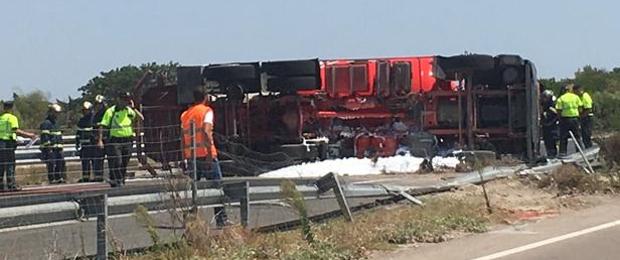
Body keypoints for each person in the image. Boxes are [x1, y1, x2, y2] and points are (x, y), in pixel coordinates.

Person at [180, 88, 228, 227]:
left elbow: (183, 138)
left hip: (191, 157)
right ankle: (221, 219)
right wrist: (209, 153)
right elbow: (206, 132)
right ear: (205, 97)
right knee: (217, 188)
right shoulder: (207, 111)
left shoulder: (185, 114)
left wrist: (184, 157)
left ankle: (191, 220)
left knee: (192, 190)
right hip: (206, 156)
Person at [98, 92, 143, 187]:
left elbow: (141, 118)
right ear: (119, 99)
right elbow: (102, 125)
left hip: (128, 140)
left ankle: (121, 179)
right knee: (118, 161)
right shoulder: (111, 111)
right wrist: (100, 140)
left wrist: (133, 108)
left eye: (127, 99)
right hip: (116, 141)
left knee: (125, 161)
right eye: (124, 99)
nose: (125, 101)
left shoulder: (129, 111)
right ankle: (116, 179)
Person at [0, 100, 37, 191]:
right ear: (11, 108)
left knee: (1, 165)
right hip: (8, 143)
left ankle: (0, 186)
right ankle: (11, 185)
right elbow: (15, 131)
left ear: (4, 108)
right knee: (10, 164)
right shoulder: (12, 118)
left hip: (0, 143)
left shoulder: (1, 118)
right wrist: (29, 135)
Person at [76, 101, 102, 182]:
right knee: (85, 162)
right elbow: (78, 134)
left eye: (86, 110)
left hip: (93, 144)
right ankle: (86, 177)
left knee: (95, 161)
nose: (85, 112)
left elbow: (98, 131)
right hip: (84, 145)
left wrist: (98, 140)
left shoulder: (94, 119)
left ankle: (97, 177)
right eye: (84, 110)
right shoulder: (81, 121)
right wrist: (77, 143)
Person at [40, 103, 66, 184]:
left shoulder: (56, 123)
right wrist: (48, 148)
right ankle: (52, 179)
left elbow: (59, 136)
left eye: (58, 113)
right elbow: (45, 137)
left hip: (58, 148)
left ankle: (59, 177)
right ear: (51, 112)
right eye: (56, 112)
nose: (57, 114)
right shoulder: (46, 123)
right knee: (51, 164)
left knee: (60, 163)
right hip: (51, 149)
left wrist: (61, 146)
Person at [555, 85, 583, 157]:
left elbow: (558, 110)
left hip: (565, 119)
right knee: (577, 136)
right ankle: (580, 151)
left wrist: (559, 118)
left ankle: (563, 153)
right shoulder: (575, 97)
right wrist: (579, 115)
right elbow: (580, 107)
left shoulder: (561, 98)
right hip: (575, 118)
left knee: (563, 137)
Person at [573, 84, 594, 149]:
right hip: (583, 117)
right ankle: (587, 147)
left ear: (579, 90)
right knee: (584, 135)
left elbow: (588, 109)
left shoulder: (585, 96)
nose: (575, 93)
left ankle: (589, 148)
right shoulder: (579, 97)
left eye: (575, 91)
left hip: (587, 117)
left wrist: (581, 117)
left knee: (587, 135)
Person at [540, 89, 559, 157]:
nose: (544, 99)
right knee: (547, 140)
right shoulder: (543, 106)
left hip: (553, 125)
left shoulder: (553, 105)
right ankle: (549, 153)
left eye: (545, 97)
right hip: (546, 126)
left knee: (553, 140)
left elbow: (556, 114)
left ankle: (554, 153)